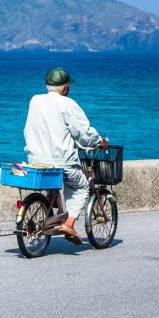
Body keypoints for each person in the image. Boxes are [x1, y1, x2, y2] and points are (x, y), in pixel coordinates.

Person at [23, 67, 107, 245]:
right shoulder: (68, 104)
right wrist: (99, 141)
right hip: (60, 161)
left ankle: (51, 218)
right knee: (81, 186)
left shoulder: (35, 100)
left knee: (53, 185)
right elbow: (83, 133)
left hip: (36, 159)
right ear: (66, 88)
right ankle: (68, 224)